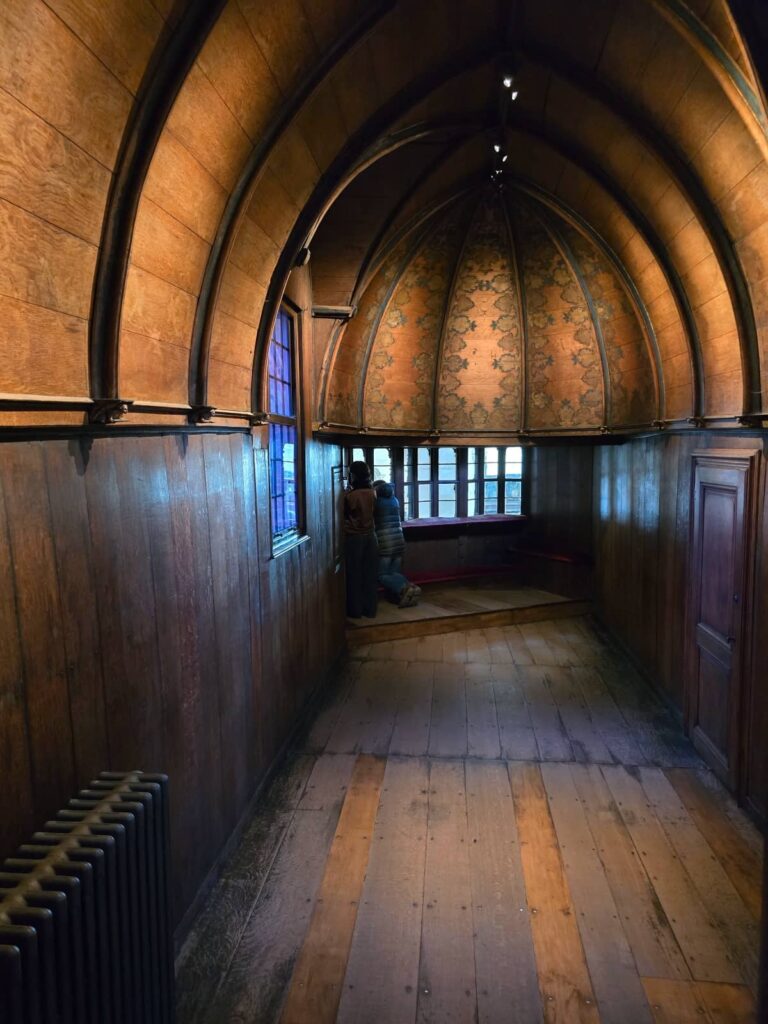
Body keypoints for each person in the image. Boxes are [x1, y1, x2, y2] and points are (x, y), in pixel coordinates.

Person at [373, 479, 421, 608]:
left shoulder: (376, 503)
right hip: (399, 540)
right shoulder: (395, 501)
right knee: (393, 573)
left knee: (382, 575)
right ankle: (410, 587)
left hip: (385, 543)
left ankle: (404, 588)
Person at [343, 461, 378, 618]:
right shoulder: (373, 493)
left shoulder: (350, 496)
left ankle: (355, 611)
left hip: (354, 538)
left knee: (354, 576)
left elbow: (344, 515)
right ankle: (370, 610)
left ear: (354, 475)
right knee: (370, 575)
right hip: (371, 536)